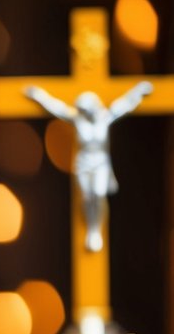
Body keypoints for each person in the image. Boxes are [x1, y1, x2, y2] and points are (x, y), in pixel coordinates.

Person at [23, 81, 152, 253]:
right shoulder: (77, 120)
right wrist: (38, 96)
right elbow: (56, 107)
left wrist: (139, 91)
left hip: (100, 162)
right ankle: (90, 228)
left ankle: (94, 230)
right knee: (85, 196)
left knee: (98, 194)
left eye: (85, 109)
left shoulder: (105, 118)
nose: (83, 112)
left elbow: (125, 104)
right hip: (83, 163)